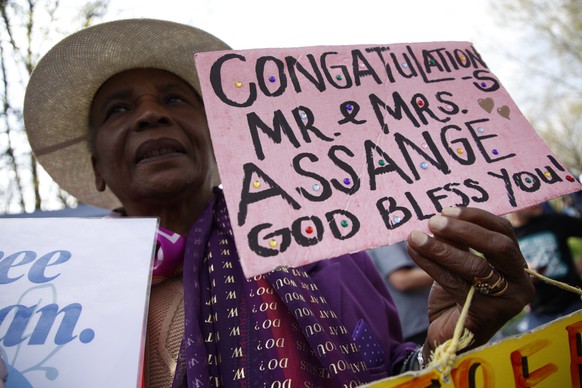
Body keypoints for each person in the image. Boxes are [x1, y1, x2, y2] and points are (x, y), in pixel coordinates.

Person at [23, 18, 534, 387]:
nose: (151, 115)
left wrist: (444, 347)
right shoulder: (46, 290)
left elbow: (393, 372)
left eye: (176, 99)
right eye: (119, 109)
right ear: (95, 166)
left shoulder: (313, 243)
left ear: (219, 137)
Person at [507, 203, 582, 330]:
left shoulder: (555, 221)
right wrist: (523, 278)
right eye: (529, 200)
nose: (537, 201)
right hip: (540, 315)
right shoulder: (505, 237)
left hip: (574, 302)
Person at [368, 242, 432, 345]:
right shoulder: (382, 238)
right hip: (417, 327)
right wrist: (448, 271)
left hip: (411, 326)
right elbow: (401, 280)